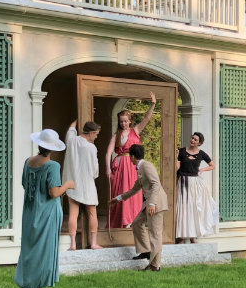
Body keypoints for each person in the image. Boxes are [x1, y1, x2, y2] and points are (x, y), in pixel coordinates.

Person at [15, 129, 77, 288]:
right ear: (53, 148)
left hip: (30, 210)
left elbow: (24, 184)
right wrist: (68, 185)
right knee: (44, 248)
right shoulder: (52, 166)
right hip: (47, 212)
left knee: (31, 247)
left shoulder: (28, 162)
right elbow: (54, 192)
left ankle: (31, 285)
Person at [110, 144, 168, 271]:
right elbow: (135, 188)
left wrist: (152, 203)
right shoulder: (140, 168)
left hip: (156, 203)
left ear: (132, 156)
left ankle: (155, 266)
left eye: (129, 156)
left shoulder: (146, 166)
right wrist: (118, 198)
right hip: (149, 204)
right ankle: (146, 251)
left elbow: (155, 184)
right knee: (136, 223)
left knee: (155, 234)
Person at [105, 92, 158, 232]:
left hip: (133, 164)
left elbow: (147, 118)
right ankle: (122, 220)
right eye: (121, 121)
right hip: (120, 165)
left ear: (130, 121)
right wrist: (107, 169)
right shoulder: (116, 135)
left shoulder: (135, 131)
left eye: (125, 121)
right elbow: (109, 152)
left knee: (134, 191)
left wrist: (153, 104)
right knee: (121, 191)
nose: (123, 123)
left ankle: (132, 220)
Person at [64, 120, 102, 249]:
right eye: (96, 134)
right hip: (87, 184)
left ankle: (73, 244)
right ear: (90, 133)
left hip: (72, 183)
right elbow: (95, 170)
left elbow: (71, 127)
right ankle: (93, 243)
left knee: (73, 213)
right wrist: (94, 174)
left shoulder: (71, 140)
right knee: (92, 213)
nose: (96, 137)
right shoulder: (91, 147)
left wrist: (76, 120)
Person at [176, 131, 218, 244]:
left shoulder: (201, 153)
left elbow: (213, 165)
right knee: (184, 208)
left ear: (199, 143)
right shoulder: (181, 151)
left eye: (195, 140)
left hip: (195, 182)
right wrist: (176, 157)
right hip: (183, 181)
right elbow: (176, 167)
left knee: (194, 208)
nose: (192, 140)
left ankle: (192, 236)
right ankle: (182, 236)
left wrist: (202, 170)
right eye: (192, 138)